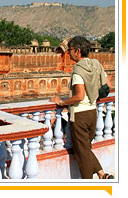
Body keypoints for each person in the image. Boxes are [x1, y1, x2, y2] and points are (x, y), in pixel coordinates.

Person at [50, 36, 114, 179]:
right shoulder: (96, 64)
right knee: (85, 149)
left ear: (78, 51)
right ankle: (103, 175)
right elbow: (108, 86)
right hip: (93, 113)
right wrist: (95, 95)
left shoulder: (78, 69)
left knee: (82, 155)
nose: (68, 53)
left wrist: (61, 102)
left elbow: (79, 96)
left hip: (79, 116)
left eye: (70, 50)